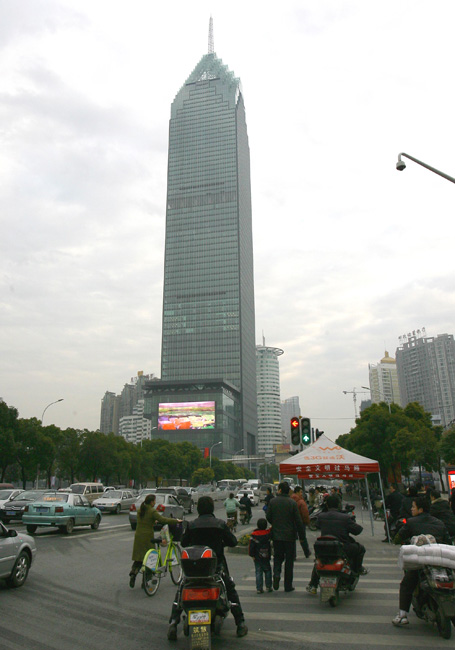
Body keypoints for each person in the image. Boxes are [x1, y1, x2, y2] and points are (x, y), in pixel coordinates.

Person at [167, 496, 248, 640]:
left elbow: (184, 543)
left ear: (198, 509)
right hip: (215, 568)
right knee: (230, 590)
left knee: (181, 590)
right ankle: (240, 623)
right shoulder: (220, 524)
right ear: (211, 509)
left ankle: (173, 623)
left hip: (193, 570)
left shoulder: (192, 525)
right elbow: (233, 542)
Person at [392, 495, 450, 627]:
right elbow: (447, 542)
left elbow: (397, 539)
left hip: (421, 564)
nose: (411, 509)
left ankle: (402, 615)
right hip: (440, 563)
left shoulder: (411, 522)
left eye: (413, 507)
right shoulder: (439, 523)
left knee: (406, 584)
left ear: (421, 509)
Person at [306, 494, 367, 595]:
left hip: (324, 548)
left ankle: (313, 584)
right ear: (339, 505)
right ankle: (357, 569)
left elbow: (316, 525)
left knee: (319, 561)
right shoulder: (345, 518)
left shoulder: (321, 516)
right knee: (361, 549)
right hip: (342, 548)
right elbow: (358, 530)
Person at [129, 493, 181, 588]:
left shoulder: (141, 510)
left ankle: (134, 572)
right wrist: (176, 521)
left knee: (139, 557)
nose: (155, 503)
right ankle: (145, 580)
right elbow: (163, 520)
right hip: (147, 537)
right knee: (150, 558)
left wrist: (153, 521)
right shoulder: (152, 511)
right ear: (152, 502)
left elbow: (145, 520)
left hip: (138, 536)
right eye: (154, 501)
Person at [266, 481, 306, 592]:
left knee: (277, 558)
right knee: (289, 561)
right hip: (290, 536)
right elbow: (298, 521)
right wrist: (302, 536)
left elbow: (268, 516)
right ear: (288, 491)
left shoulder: (273, 502)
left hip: (277, 536)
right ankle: (288, 585)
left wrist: (275, 523)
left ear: (279, 490)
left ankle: (276, 574)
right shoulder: (292, 503)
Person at [248, 518, 272, 593]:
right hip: (266, 555)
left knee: (258, 572)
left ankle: (259, 588)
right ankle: (268, 587)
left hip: (257, 556)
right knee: (267, 570)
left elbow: (251, 546)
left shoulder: (254, 535)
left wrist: (252, 555)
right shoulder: (268, 533)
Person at [291, 485, 311, 558]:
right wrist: (307, 522)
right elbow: (305, 513)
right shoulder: (301, 502)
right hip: (300, 522)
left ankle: (293, 555)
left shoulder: (290, 500)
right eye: (300, 492)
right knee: (302, 538)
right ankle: (307, 552)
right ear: (297, 492)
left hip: (292, 523)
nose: (301, 494)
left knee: (292, 539)